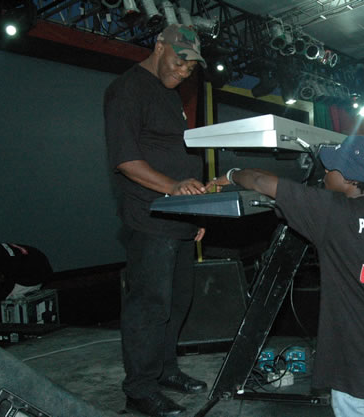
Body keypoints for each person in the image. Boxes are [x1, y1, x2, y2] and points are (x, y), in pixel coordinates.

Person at [208, 135, 364, 417]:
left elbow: (261, 182)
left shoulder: (333, 213)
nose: (325, 173)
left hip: (362, 375)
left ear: (350, 179)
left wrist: (230, 175)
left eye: (331, 168)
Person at [104, 24, 209, 417]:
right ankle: (140, 388)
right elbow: (126, 161)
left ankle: (166, 369)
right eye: (179, 61)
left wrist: (194, 210)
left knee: (178, 301)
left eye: (189, 68)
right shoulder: (127, 89)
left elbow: (176, 155)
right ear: (159, 46)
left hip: (179, 218)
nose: (183, 72)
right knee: (149, 306)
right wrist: (175, 188)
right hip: (149, 218)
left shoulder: (169, 97)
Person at [0, 242, 53, 327]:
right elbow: (0, 275)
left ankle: (12, 327)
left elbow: (7, 286)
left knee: (4, 302)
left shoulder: (9, 262)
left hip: (37, 273)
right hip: (35, 263)